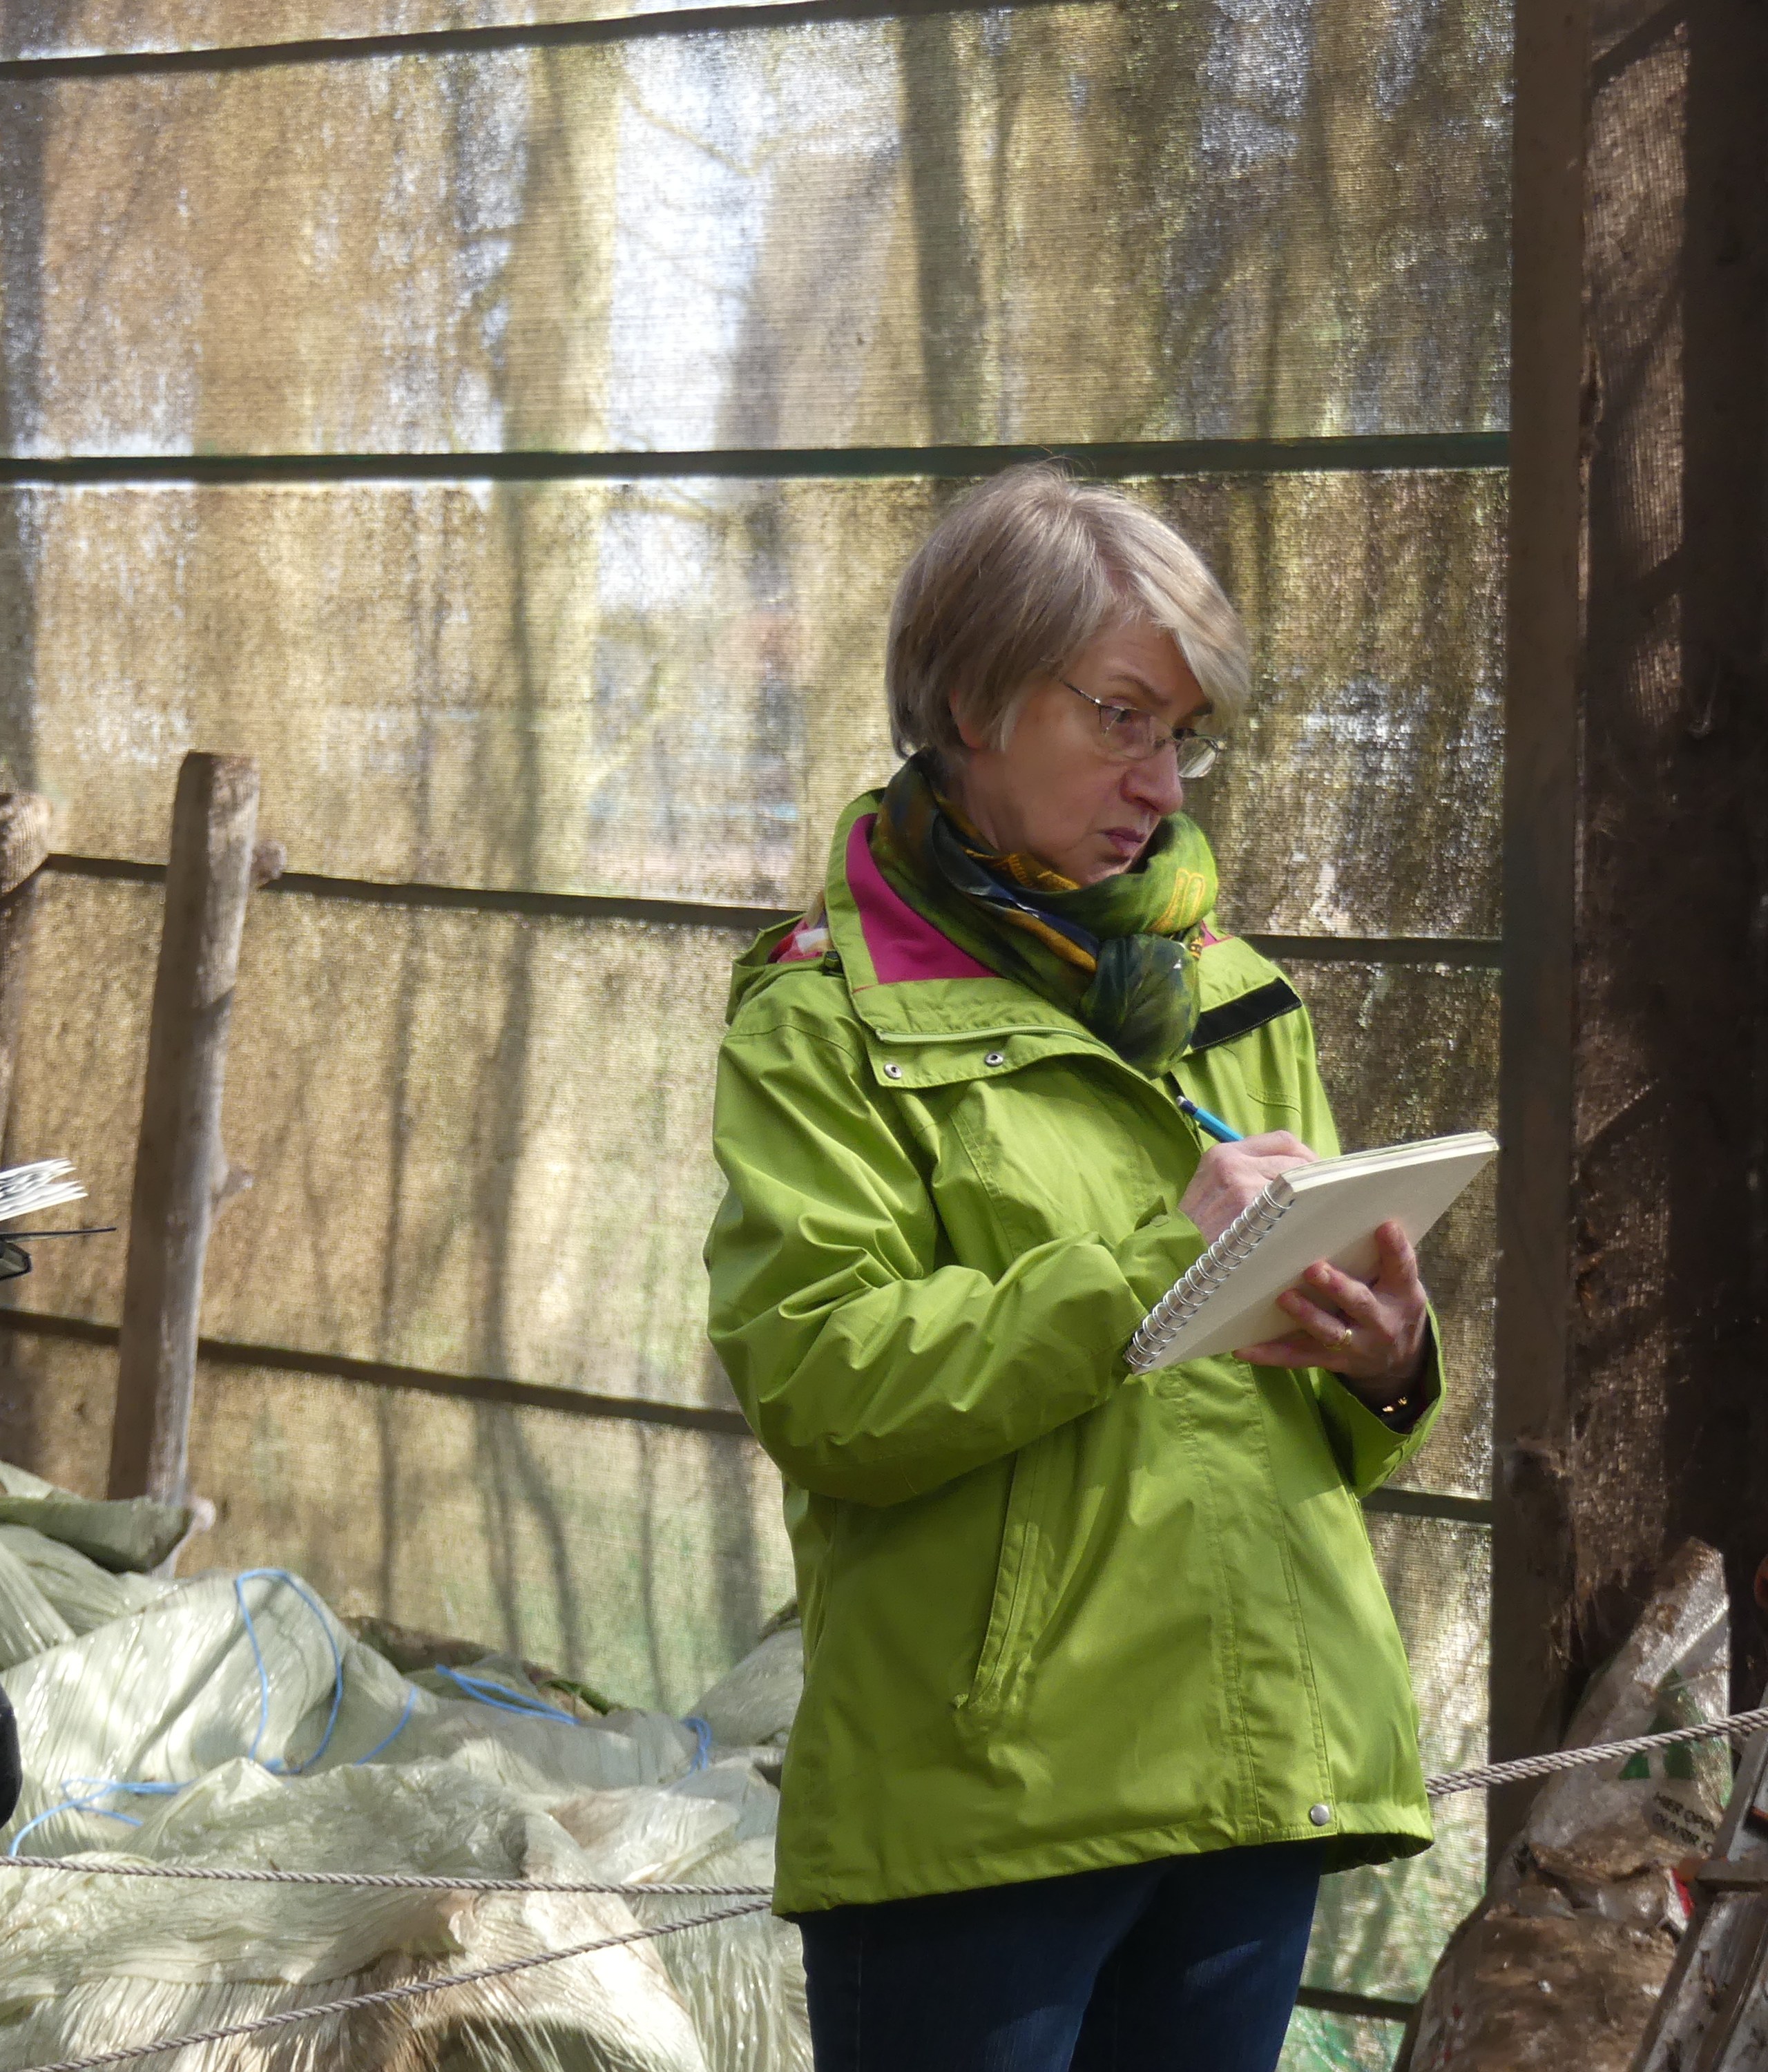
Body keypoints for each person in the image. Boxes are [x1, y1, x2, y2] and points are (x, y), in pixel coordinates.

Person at [706, 463, 1441, 2071]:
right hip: (988, 1806)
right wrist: (1153, 1265)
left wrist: (1383, 1359)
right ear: (971, 698)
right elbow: (821, 1386)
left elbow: (1306, 1420)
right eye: (1119, 716)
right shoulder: (822, 1020)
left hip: (1256, 1771)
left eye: (1181, 734)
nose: (1160, 782)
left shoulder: (1232, 992)